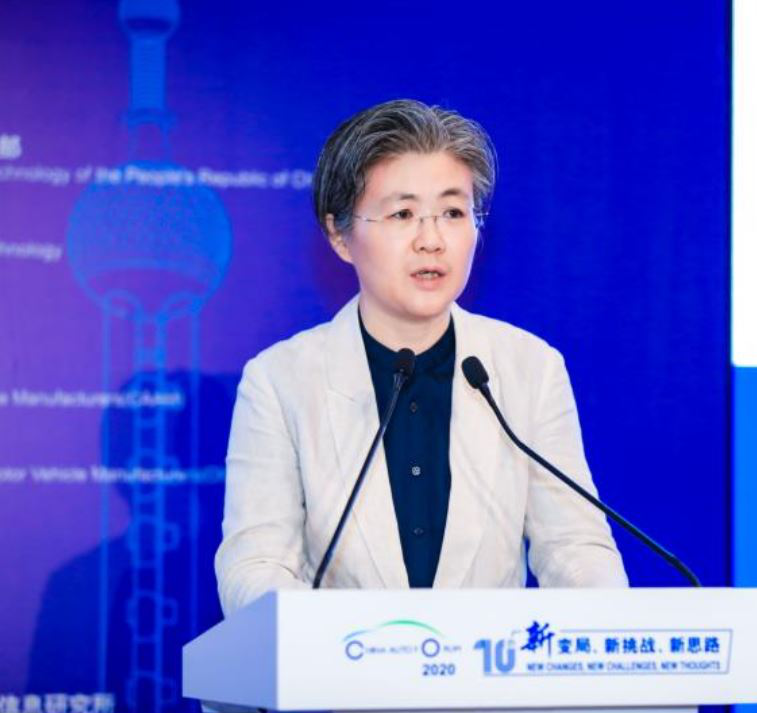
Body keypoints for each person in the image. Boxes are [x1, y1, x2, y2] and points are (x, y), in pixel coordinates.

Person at [215, 99, 628, 617]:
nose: (432, 241)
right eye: (403, 214)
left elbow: (574, 548)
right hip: (345, 667)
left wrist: (605, 617)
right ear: (340, 234)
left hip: (490, 668)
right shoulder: (281, 381)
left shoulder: (529, 368)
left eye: (453, 213)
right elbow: (255, 566)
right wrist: (338, 641)